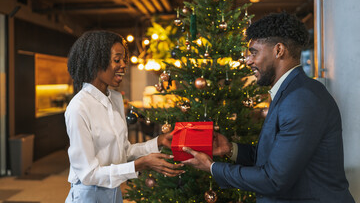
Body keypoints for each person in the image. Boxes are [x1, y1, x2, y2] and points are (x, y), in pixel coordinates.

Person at [182, 12, 355, 202]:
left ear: (279, 50)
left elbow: (273, 179)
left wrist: (212, 167)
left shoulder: (301, 98)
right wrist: (230, 149)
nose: (248, 60)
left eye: (254, 51)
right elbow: (276, 156)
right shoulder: (292, 92)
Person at [64, 30, 184, 203]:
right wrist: (141, 164)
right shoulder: (79, 107)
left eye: (124, 61)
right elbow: (88, 174)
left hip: (114, 193)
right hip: (88, 196)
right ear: (96, 60)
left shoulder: (115, 99)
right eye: (117, 60)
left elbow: (123, 152)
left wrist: (158, 141)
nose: (123, 66)